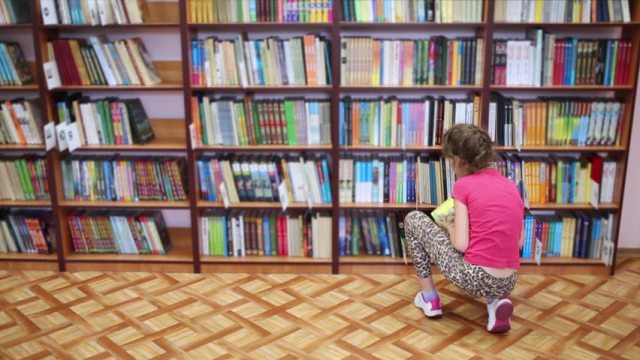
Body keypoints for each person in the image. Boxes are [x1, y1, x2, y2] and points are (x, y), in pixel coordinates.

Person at [405, 124, 524, 333]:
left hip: (473, 278)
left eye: (451, 162)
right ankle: (496, 304)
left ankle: (429, 298)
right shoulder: (509, 185)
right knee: (491, 252)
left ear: (458, 161)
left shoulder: (463, 186)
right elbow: (519, 241)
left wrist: (450, 227)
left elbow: (461, 244)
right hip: (508, 281)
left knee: (414, 219)